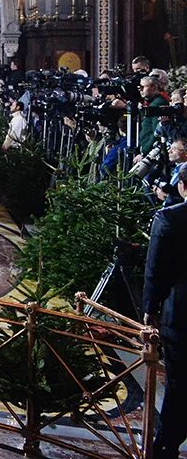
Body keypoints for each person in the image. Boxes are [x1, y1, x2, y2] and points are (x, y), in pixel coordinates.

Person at [144, 195, 187, 459]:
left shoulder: (170, 217)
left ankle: (165, 446)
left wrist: (150, 307)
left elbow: (156, 269)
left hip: (180, 313)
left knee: (179, 383)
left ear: (183, 185)